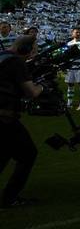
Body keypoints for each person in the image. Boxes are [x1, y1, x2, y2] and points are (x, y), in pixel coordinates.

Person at [0, 35, 43, 208]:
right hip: (5, 117)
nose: (31, 55)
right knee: (28, 154)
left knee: (4, 152)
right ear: (25, 50)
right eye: (32, 51)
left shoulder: (2, 55)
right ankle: (9, 199)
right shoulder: (17, 62)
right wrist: (42, 86)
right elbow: (31, 92)